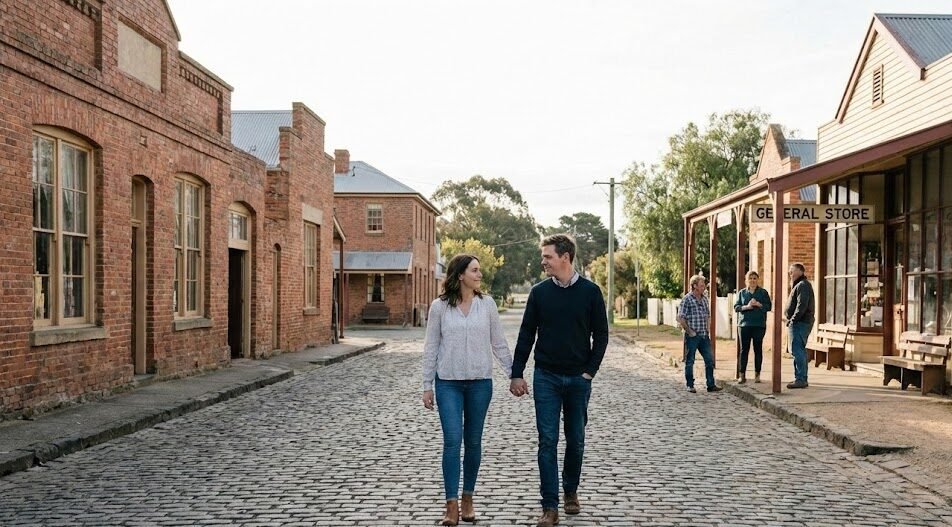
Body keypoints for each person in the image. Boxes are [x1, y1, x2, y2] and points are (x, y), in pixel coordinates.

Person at [509, 234, 609, 527]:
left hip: (579, 379)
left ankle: (571, 491)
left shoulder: (591, 292)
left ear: (565, 257)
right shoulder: (539, 293)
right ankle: (549, 505)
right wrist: (517, 372)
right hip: (546, 377)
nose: (543, 262)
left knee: (576, 440)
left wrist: (589, 371)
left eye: (547, 257)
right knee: (547, 440)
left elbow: (601, 335)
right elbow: (527, 334)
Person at [422, 254, 513, 526]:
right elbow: (431, 347)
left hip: (479, 384)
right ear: (460, 275)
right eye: (475, 270)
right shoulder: (439, 307)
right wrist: (427, 385)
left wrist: (514, 375)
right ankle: (451, 504)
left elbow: (498, 343)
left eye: (480, 270)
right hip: (448, 383)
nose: (480, 274)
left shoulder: (487, 305)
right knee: (452, 440)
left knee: (473, 442)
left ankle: (468, 498)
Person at [677, 274, 723, 394]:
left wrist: (708, 328)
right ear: (695, 286)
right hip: (692, 336)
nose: (704, 287)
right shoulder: (687, 299)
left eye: (704, 285)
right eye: (702, 285)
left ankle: (710, 384)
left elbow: (708, 315)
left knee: (709, 360)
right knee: (690, 360)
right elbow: (680, 318)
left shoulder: (704, 298)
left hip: (703, 335)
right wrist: (689, 331)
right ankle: (690, 385)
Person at [733, 271, 772, 384]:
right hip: (744, 325)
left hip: (759, 325)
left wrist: (759, 305)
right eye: (750, 278)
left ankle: (757, 375)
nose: (753, 280)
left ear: (758, 280)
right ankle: (742, 375)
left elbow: (769, 306)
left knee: (758, 349)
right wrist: (747, 306)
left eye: (755, 278)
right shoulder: (742, 293)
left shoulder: (763, 292)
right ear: (747, 280)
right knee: (744, 350)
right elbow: (737, 307)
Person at [785, 263, 815, 389]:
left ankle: (801, 378)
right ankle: (800, 377)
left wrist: (793, 319)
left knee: (797, 350)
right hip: (799, 322)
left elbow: (801, 305)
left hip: (800, 322)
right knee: (798, 350)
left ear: (800, 271)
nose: (790, 274)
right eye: (790, 272)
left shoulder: (803, 285)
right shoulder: (798, 285)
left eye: (792, 271)